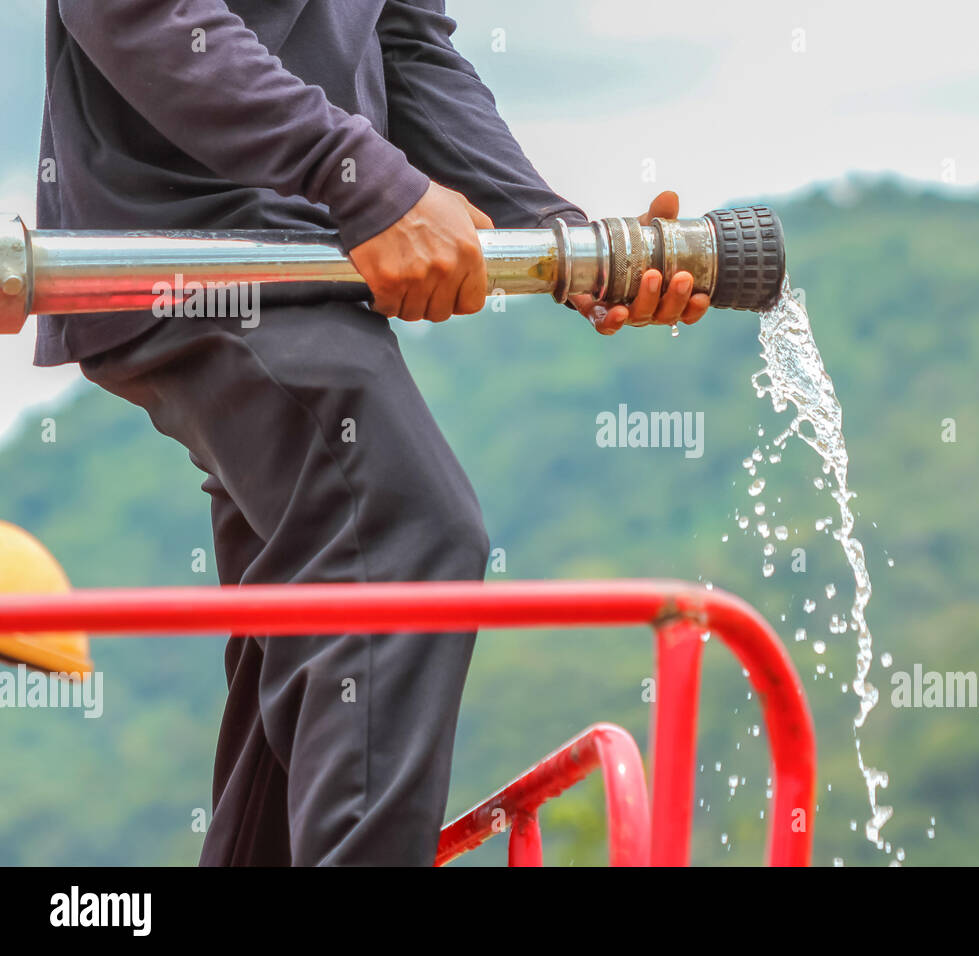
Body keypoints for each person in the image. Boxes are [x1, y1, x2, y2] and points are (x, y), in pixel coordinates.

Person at [36, 0, 710, 865]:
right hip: (191, 246)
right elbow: (141, 12)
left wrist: (563, 241)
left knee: (319, 616)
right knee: (402, 537)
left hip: (310, 253)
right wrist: (365, 178)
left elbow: (405, 50)